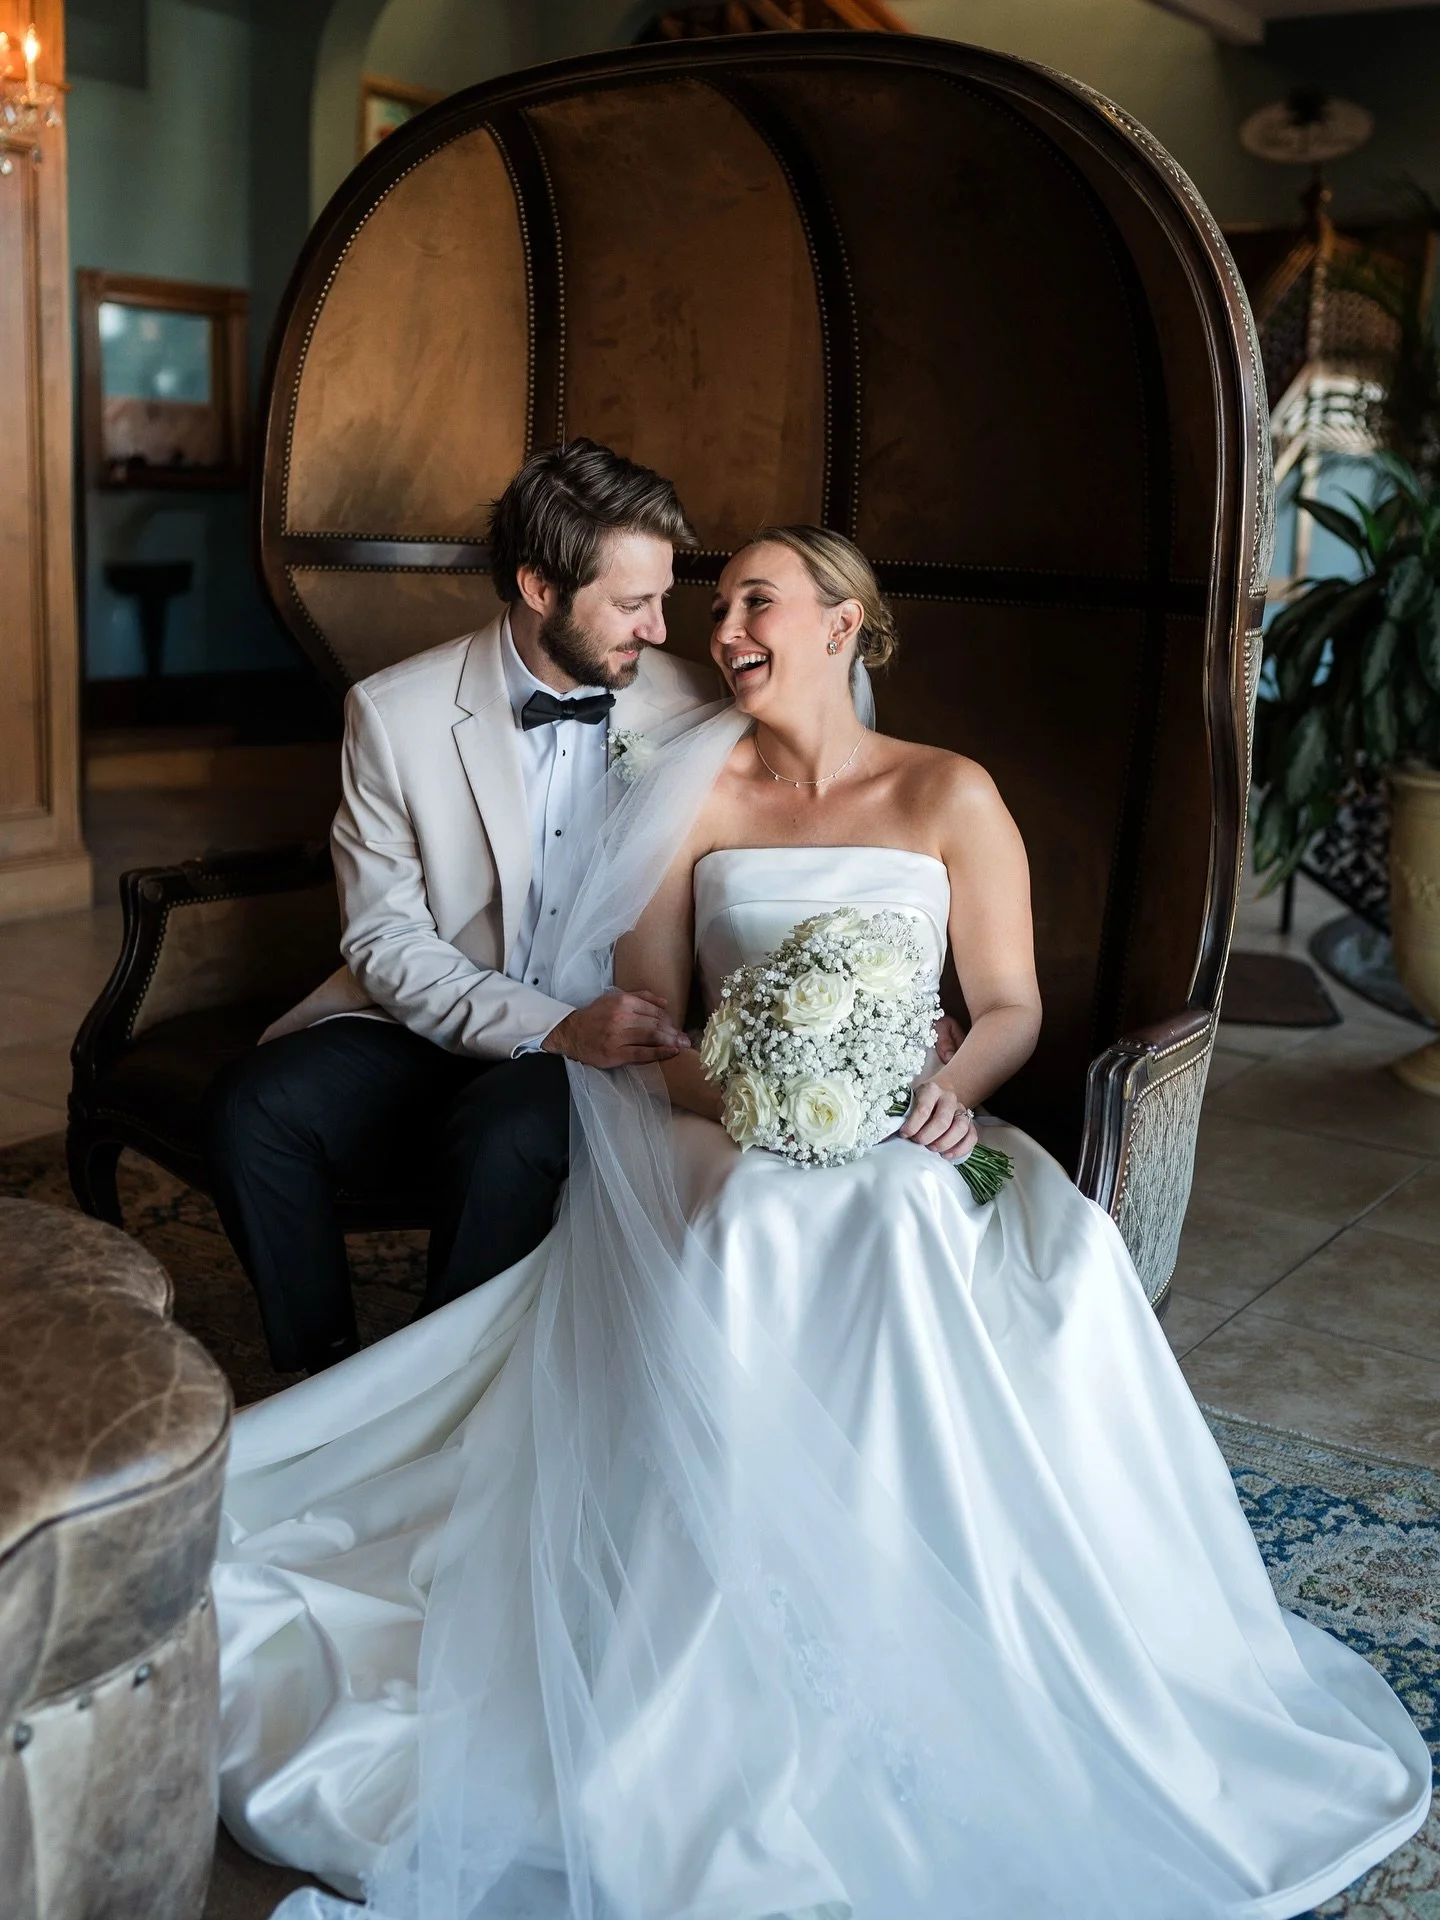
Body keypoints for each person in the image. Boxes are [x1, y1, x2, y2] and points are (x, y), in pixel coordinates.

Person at [214, 528, 1430, 1920]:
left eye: (754, 601)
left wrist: (936, 1088)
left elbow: (1012, 1005)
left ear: (844, 624)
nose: (721, 624)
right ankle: (729, 1632)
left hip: (914, 1133)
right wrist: (747, 1094)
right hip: (717, 1130)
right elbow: (654, 1023)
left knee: (912, 1224)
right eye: (716, 601)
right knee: (753, 1224)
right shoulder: (684, 791)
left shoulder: (948, 792)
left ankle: (925, 1604)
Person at [203, 439, 714, 1374]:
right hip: (437, 1009)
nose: (656, 627)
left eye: (662, 596)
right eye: (631, 602)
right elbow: (386, 934)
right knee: (254, 1107)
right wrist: (554, 1025)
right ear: (537, 587)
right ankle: (321, 1377)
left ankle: (441, 1401)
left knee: (504, 1136)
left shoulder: (699, 708)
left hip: (618, 1033)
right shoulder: (394, 714)